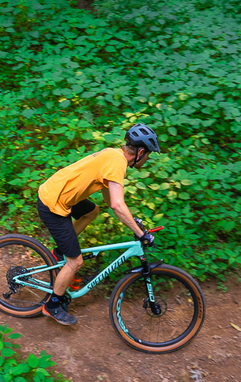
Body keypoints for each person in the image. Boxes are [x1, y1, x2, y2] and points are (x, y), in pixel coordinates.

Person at [37, 124, 161, 325]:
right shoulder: (117, 162)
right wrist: (140, 234)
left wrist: (133, 222)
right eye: (148, 155)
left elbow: (109, 200)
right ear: (140, 152)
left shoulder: (114, 155)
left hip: (62, 193)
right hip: (53, 202)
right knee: (75, 262)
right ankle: (51, 306)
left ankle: (60, 251)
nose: (147, 159)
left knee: (92, 211)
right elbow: (116, 204)